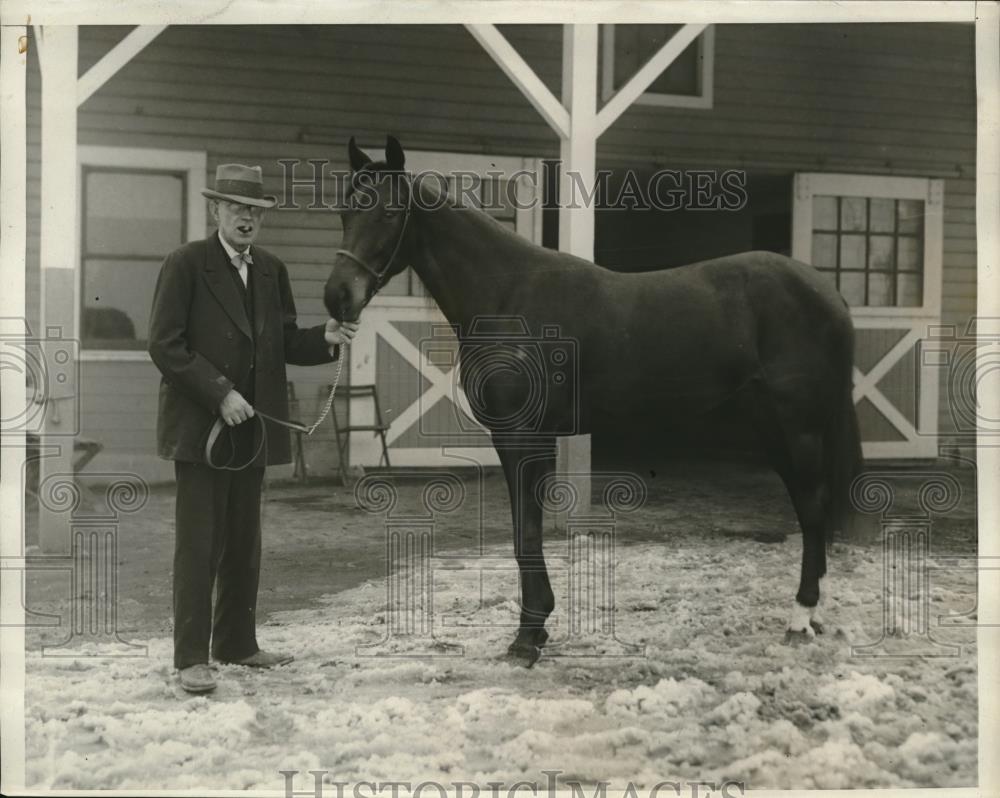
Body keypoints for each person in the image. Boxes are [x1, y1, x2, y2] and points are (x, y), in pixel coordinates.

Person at [148, 163, 358, 693]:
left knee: (244, 541)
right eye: (237, 207)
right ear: (215, 210)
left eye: (255, 210)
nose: (247, 218)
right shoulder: (185, 264)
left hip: (253, 430)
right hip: (202, 429)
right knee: (199, 542)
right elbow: (165, 345)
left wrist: (326, 337)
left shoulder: (270, 270)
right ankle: (191, 657)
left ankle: (237, 644)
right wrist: (220, 393)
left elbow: (284, 342)